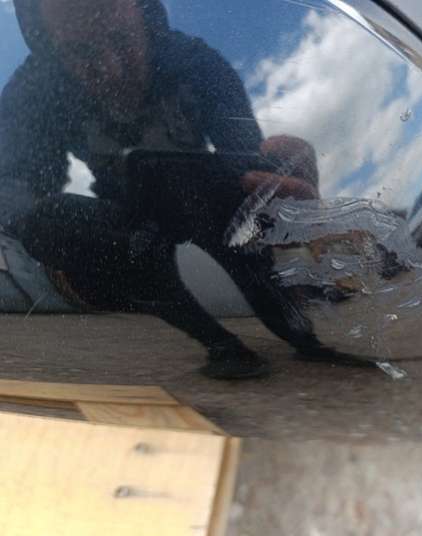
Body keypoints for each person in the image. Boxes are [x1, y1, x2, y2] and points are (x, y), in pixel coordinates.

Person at [0, 0, 326, 378]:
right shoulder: (36, 88)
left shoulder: (195, 61)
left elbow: (243, 158)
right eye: (81, 53)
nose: (111, 69)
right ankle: (221, 343)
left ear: (144, 16)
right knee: (45, 222)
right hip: (125, 217)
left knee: (251, 192)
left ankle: (298, 330)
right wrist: (75, 248)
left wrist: (274, 194)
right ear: (52, 50)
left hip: (199, 196)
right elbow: (16, 186)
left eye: (121, 40)